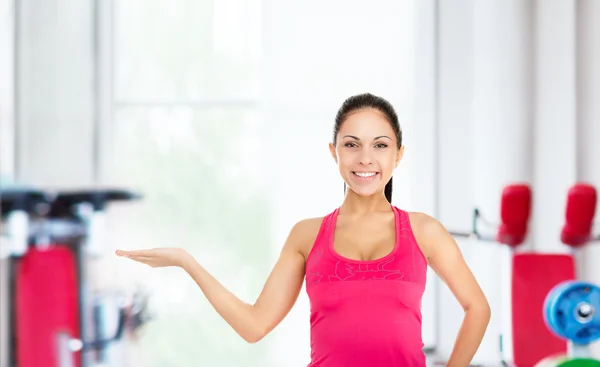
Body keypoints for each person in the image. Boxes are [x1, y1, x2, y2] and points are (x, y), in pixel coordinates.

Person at [116, 93, 491, 366]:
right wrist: (187, 262)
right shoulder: (306, 236)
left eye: (380, 145)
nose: (365, 158)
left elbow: (477, 308)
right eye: (351, 145)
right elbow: (254, 324)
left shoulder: (423, 231)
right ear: (334, 152)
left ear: (398, 154)